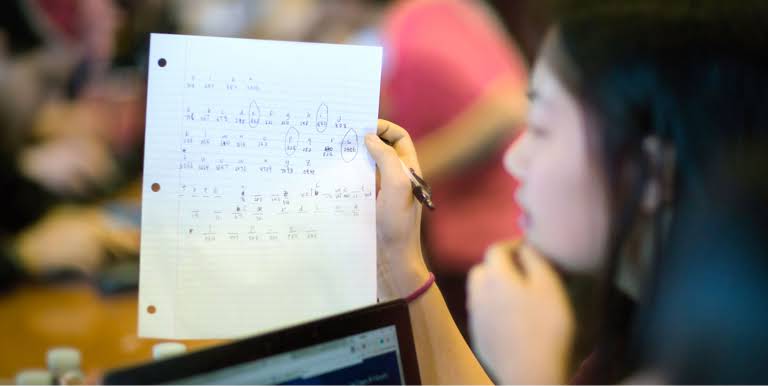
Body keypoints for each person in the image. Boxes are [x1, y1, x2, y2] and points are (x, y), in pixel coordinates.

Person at [365, 2, 768, 383]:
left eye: (540, 128)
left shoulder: (727, 361)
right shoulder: (645, 334)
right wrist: (399, 258)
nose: (515, 160)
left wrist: (532, 375)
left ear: (650, 169)